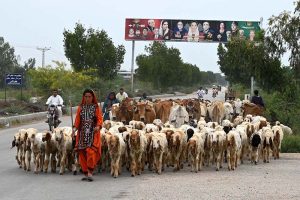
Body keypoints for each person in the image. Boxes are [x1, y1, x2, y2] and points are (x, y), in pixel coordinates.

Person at [72, 89, 103, 182]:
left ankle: (90, 172)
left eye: (89, 96)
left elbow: (99, 119)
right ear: (83, 97)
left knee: (90, 151)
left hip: (93, 132)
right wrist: (74, 129)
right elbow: (77, 120)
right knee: (81, 152)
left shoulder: (96, 107)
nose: (87, 98)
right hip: (82, 133)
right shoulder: (80, 108)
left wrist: (98, 126)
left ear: (92, 97)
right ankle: (85, 172)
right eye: (86, 96)